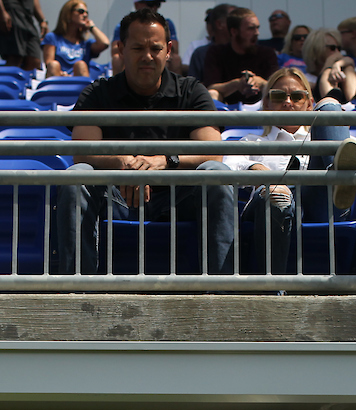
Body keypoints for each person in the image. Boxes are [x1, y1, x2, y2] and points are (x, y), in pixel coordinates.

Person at [57, 8, 235, 275]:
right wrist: (123, 163)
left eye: (155, 48)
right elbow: (82, 152)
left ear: (169, 50)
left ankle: (223, 292)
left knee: (218, 174)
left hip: (178, 197)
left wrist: (163, 162)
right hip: (116, 198)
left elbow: (213, 153)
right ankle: (77, 290)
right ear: (120, 48)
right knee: (76, 177)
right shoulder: (98, 93)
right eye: (138, 48)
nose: (147, 56)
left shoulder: (191, 91)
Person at [224, 68, 356, 272]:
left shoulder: (323, 139)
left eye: (297, 96)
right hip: (270, 205)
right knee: (276, 194)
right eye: (279, 96)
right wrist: (255, 167)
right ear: (266, 103)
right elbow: (227, 167)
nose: (288, 102)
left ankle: (339, 176)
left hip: (319, 205)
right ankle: (274, 287)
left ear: (309, 104)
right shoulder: (252, 142)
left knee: (329, 107)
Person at [203, 7, 278, 104]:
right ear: (234, 31)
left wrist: (260, 83)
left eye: (257, 28)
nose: (256, 33)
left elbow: (277, 88)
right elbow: (211, 87)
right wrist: (237, 84)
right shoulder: (216, 52)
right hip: (226, 108)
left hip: (262, 107)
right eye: (251, 28)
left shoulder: (267, 53)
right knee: (212, 93)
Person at [111, 0, 181, 75]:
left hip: (163, 61)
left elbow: (175, 49)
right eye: (150, 4)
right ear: (137, 5)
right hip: (133, 59)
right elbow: (115, 50)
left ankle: (173, 84)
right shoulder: (126, 25)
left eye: (157, 4)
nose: (154, 8)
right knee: (116, 59)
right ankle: (117, 85)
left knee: (176, 59)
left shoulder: (166, 23)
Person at [43, 0, 110, 77]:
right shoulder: (52, 37)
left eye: (86, 13)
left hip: (79, 82)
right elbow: (49, 63)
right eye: (81, 11)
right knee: (53, 65)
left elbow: (105, 43)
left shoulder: (86, 43)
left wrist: (91, 27)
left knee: (80, 65)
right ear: (68, 14)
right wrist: (62, 74)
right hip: (58, 78)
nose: (85, 15)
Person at [302, 27, 356, 101]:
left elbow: (349, 60)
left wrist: (337, 65)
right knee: (327, 72)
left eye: (338, 48)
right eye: (332, 48)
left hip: (349, 105)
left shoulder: (341, 67)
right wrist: (329, 62)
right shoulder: (307, 77)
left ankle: (355, 99)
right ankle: (331, 100)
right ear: (316, 49)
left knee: (348, 68)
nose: (337, 52)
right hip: (324, 104)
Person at [0, 0, 47, 72]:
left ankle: (23, 82)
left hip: (27, 13)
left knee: (34, 59)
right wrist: (1, 11)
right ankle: (6, 81)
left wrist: (42, 20)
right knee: (15, 56)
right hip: (10, 9)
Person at [187, 3, 234, 82]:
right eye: (234, 21)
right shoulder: (201, 54)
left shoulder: (245, 52)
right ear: (219, 24)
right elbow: (193, 89)